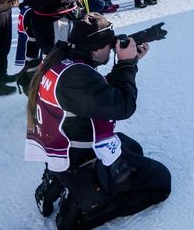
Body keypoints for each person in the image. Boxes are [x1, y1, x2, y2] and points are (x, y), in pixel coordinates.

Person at [25, 13, 171, 229]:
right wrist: (126, 64)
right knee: (160, 181)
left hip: (62, 144)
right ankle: (85, 206)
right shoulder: (76, 77)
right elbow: (122, 106)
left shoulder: (62, 62)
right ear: (93, 49)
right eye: (109, 45)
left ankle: (58, 180)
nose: (113, 48)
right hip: (78, 156)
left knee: (132, 147)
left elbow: (97, 94)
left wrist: (129, 63)